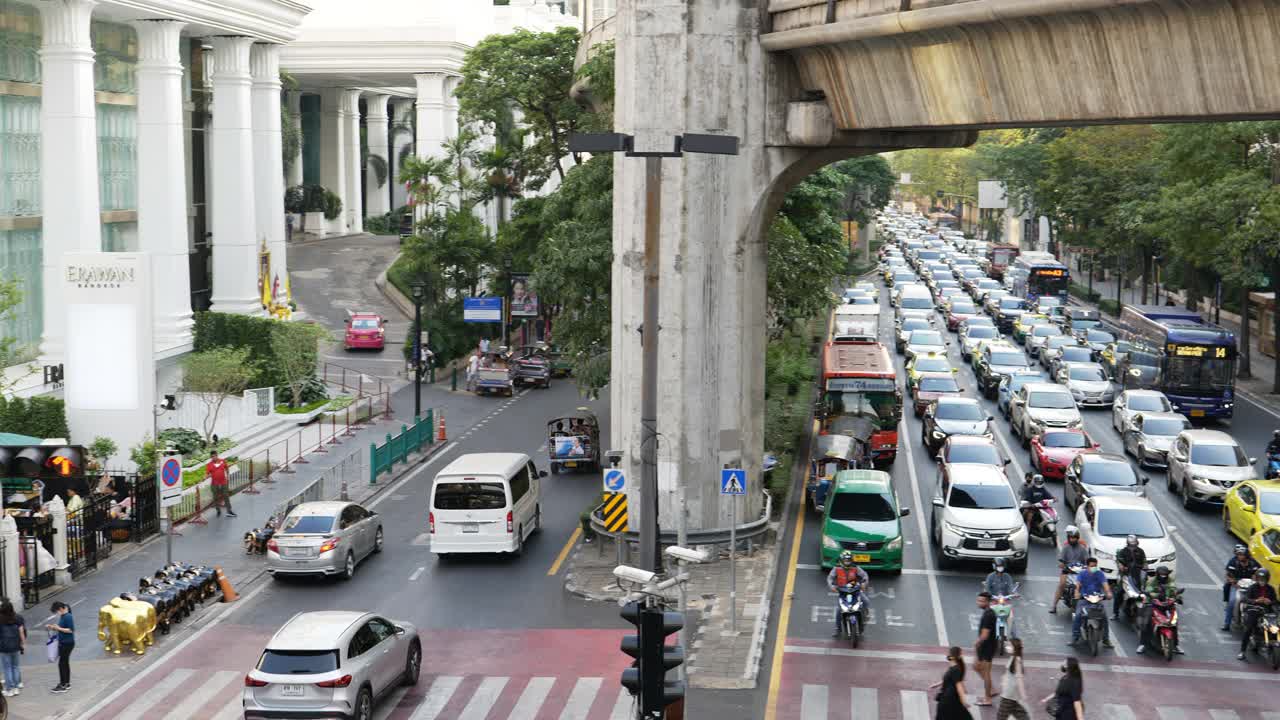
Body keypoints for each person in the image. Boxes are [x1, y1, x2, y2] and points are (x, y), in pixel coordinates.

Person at [1135, 565, 1182, 655]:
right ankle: (1142, 644)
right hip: (1152, 603)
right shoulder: (1151, 581)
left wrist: (1177, 597)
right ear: (1157, 574)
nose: (1163, 576)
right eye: (1161, 574)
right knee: (1147, 621)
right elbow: (1149, 590)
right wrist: (1156, 595)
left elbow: (1173, 590)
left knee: (1174, 621)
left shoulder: (1170, 580)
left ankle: (1176, 645)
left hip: (1167, 604)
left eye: (1165, 574)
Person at [1069, 556, 1112, 647]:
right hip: (1084, 599)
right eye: (1092, 566)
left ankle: (1106, 639)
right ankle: (1075, 637)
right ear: (1087, 566)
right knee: (1078, 615)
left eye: (1095, 566)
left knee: (1104, 617)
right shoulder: (1082, 574)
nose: (1094, 568)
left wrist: (1108, 593)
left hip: (1097, 599)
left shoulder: (1100, 574)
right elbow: (1078, 585)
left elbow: (1105, 585)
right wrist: (1077, 593)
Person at [826, 551, 869, 637]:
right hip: (843, 592)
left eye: (849, 560)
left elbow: (865, 576)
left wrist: (864, 584)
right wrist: (831, 586)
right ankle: (838, 629)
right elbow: (830, 578)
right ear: (841, 560)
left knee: (866, 601)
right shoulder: (836, 568)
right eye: (845, 560)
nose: (847, 562)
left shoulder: (856, 568)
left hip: (855, 590)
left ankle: (864, 617)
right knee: (839, 611)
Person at [1238, 568, 1278, 661]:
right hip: (1254, 610)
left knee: (1275, 628)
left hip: (1267, 612)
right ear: (1257, 578)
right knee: (1248, 628)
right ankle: (1242, 651)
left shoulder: (1271, 589)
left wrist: (1270, 601)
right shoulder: (1252, 588)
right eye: (1260, 578)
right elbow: (1245, 599)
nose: (1261, 581)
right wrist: (1256, 601)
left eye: (1263, 579)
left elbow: (1275, 601)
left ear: (1267, 579)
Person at [1050, 526, 1090, 614]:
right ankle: (1054, 605)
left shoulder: (1083, 549)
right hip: (1067, 571)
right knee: (1061, 585)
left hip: (1079, 572)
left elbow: (1087, 561)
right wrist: (1063, 565)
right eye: (1070, 538)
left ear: (1077, 538)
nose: (1072, 540)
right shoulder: (1066, 548)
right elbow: (1062, 561)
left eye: (1074, 538)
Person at [929, 646, 974, 720]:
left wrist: (963, 702)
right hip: (950, 700)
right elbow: (949, 679)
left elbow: (959, 687)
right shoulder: (954, 668)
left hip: (949, 700)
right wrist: (936, 685)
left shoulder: (955, 669)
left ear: (951, 656)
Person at [1224, 544, 1260, 631]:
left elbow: (1257, 573)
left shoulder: (1253, 563)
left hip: (1250, 587)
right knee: (1232, 602)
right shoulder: (1233, 562)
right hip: (1237, 586)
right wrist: (1232, 581)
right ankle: (1227, 623)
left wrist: (1256, 579)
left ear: (1246, 555)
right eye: (1238, 555)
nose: (1239, 557)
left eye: (1242, 555)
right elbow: (1228, 575)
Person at [1113, 534, 1146, 620]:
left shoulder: (1141, 551)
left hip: (1137, 576)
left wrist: (1146, 568)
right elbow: (1119, 561)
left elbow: (1145, 562)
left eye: (1134, 544)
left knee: (1145, 592)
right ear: (1127, 543)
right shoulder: (1123, 552)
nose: (1133, 546)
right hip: (1126, 576)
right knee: (1119, 592)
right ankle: (1115, 613)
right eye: (1131, 544)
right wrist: (1121, 566)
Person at [984, 558, 1018, 639]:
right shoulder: (990, 577)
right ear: (994, 566)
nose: (1000, 567)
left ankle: (1015, 638)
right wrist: (988, 595)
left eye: (1001, 566)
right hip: (993, 601)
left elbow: (1011, 588)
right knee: (987, 617)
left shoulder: (1007, 577)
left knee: (1011, 618)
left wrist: (1014, 594)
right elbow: (987, 589)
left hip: (1005, 601)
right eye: (998, 566)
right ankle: (986, 636)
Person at [974, 592, 998, 706]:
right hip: (985, 646)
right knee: (976, 667)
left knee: (986, 672)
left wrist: (977, 643)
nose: (979, 603)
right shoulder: (988, 612)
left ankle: (988, 698)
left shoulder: (988, 615)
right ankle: (991, 689)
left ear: (988, 602)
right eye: (978, 600)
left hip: (986, 647)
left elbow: (985, 634)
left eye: (982, 601)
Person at [996, 638, 1029, 720]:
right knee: (1021, 714)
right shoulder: (1013, 657)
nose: (1007, 647)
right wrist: (1003, 679)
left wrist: (1023, 694)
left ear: (1015, 647)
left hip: (1008, 694)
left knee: (1001, 717)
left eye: (1009, 645)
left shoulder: (1017, 660)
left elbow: (1019, 678)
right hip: (1010, 693)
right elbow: (1010, 674)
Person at [46, 601, 74, 693]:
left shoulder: (68, 616)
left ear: (61, 609)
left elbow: (70, 630)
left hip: (67, 643)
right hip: (64, 642)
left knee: (62, 663)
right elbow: (62, 628)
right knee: (64, 663)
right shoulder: (63, 616)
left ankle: (63, 684)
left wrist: (58, 628)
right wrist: (53, 627)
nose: (57, 613)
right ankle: (66, 683)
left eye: (57, 611)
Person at [0, 599, 25, 696]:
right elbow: (21, 632)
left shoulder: (0, 619)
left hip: (4, 647)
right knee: (15, 666)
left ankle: (9, 689)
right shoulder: (17, 617)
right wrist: (23, 643)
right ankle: (16, 687)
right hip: (16, 645)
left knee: (7, 668)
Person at [206, 450, 235, 518]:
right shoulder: (209, 465)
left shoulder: (222, 461)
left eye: (215, 456)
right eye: (212, 456)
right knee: (215, 497)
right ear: (211, 457)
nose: (214, 457)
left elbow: (227, 468)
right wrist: (206, 476)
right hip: (214, 483)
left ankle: (229, 510)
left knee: (226, 496)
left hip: (223, 482)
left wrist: (228, 476)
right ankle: (218, 510)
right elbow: (207, 473)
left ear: (217, 455)